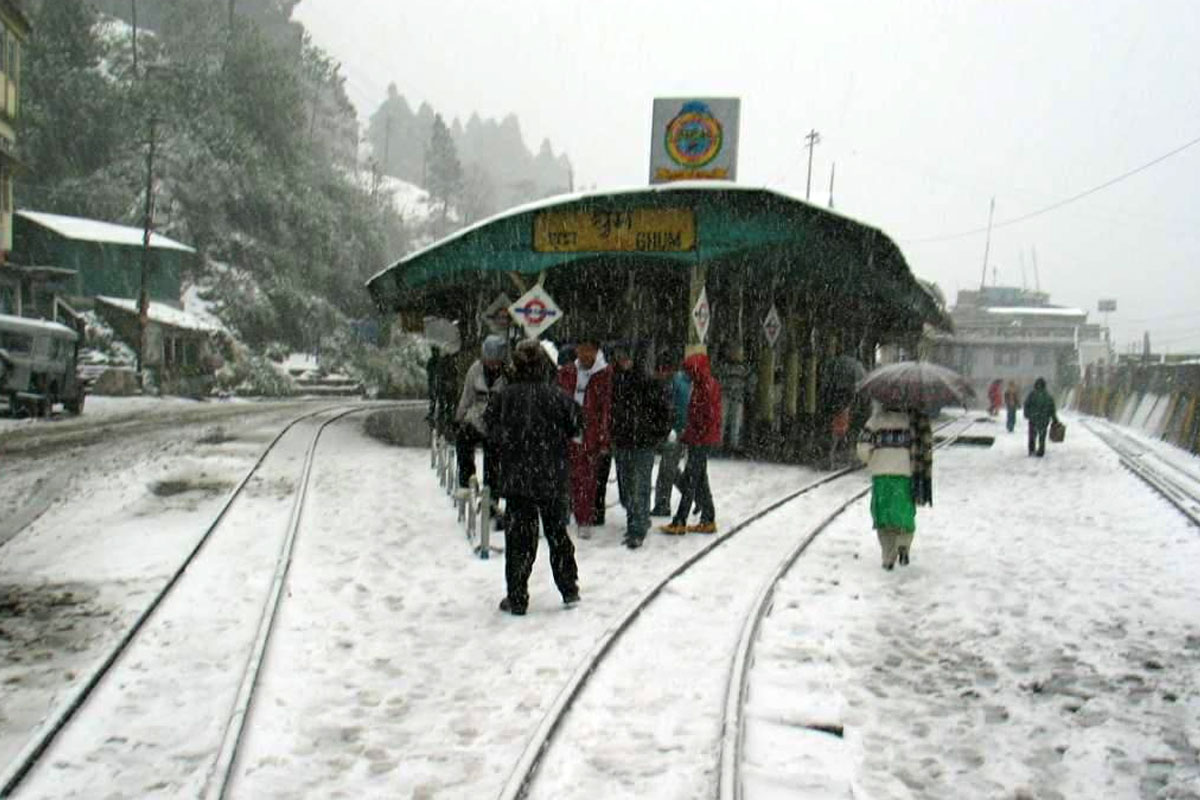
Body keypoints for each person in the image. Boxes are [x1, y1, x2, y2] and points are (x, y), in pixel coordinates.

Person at [485, 340, 581, 616]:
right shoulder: (557, 396)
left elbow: (490, 429)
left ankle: (517, 596)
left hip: (517, 478)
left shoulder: (504, 397)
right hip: (552, 476)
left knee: (519, 540)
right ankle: (569, 588)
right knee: (557, 533)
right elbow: (576, 424)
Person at [611, 341, 673, 549]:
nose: (623, 361)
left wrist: (656, 434)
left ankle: (637, 526)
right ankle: (638, 518)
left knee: (638, 485)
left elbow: (664, 412)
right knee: (628, 487)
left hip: (640, 442)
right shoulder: (618, 382)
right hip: (625, 441)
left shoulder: (647, 385)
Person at [857, 405, 933, 570]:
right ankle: (903, 545)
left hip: (881, 477)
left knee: (883, 519)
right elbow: (924, 448)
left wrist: (873, 458)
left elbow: (863, 450)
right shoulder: (913, 421)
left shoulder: (875, 421)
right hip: (904, 476)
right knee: (904, 515)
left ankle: (888, 558)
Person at [660, 351, 722, 535]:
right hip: (701, 438)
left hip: (699, 440)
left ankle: (680, 520)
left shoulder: (704, 388)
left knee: (692, 480)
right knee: (699, 479)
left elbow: (703, 417)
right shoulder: (706, 384)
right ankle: (708, 517)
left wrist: (690, 434)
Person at [556, 337, 613, 536]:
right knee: (564, 476)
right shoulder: (567, 372)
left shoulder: (604, 375)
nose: (584, 354)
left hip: (590, 434)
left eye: (588, 350)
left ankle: (584, 518)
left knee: (586, 479)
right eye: (581, 349)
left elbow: (606, 409)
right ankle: (563, 513)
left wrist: (603, 437)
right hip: (567, 431)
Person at [454, 335, 508, 501]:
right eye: (488, 360)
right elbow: (467, 396)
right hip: (476, 418)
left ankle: (491, 496)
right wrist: (459, 418)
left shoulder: (507, 374)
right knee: (463, 440)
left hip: (497, 422)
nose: (492, 365)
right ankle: (467, 481)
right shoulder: (475, 370)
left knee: (493, 458)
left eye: (495, 361)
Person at [650, 354, 690, 516]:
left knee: (667, 471)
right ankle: (692, 494)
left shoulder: (676, 385)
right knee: (671, 470)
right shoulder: (678, 382)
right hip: (673, 431)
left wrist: (675, 429)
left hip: (675, 432)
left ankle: (662, 504)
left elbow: (679, 410)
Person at [1023, 377, 1058, 457]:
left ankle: (1031, 450)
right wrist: (1054, 419)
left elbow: (1026, 404)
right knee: (1042, 436)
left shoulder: (1032, 395)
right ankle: (1041, 450)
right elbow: (1052, 409)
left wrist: (1027, 414)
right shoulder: (1048, 396)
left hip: (1033, 418)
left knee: (1032, 435)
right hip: (1044, 419)